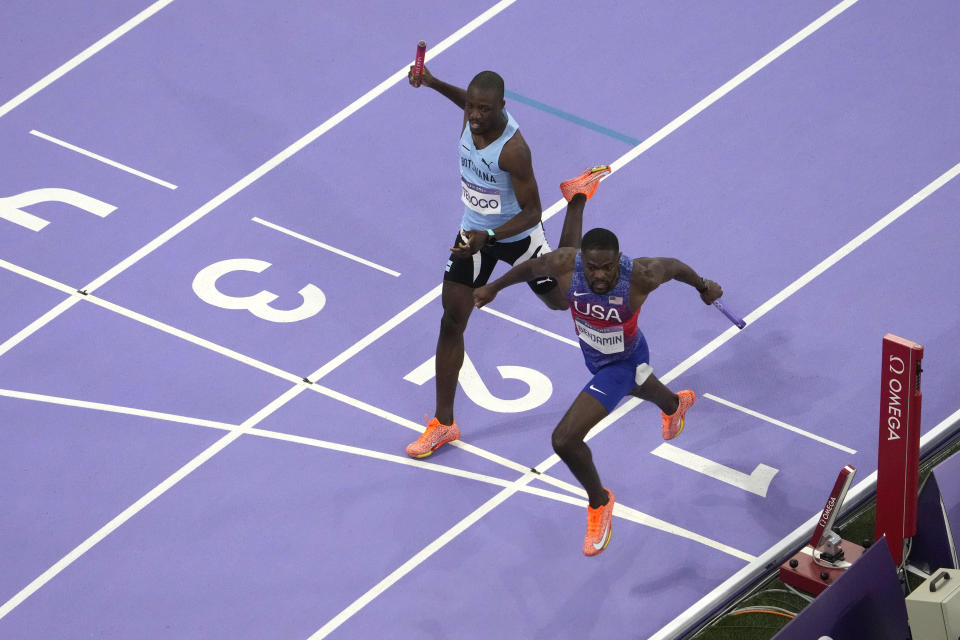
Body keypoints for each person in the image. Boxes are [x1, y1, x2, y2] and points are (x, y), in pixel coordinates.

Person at [472, 180, 723, 556]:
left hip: (621, 360)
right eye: (593, 268)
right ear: (581, 262)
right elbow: (532, 267)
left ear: (618, 260)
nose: (601, 276)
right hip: (598, 355)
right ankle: (674, 405)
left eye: (607, 268)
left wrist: (704, 286)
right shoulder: (566, 263)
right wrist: (494, 287)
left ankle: (599, 502)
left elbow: (674, 267)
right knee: (639, 384)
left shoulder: (641, 276)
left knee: (564, 440)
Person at [404, 64, 608, 459]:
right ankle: (443, 424)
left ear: (501, 106)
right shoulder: (471, 115)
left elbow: (532, 211)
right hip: (473, 231)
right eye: (471, 108)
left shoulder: (514, 150)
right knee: (451, 320)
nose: (475, 116)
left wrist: (493, 236)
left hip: (517, 236)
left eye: (483, 109)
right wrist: (430, 82)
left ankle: (578, 196)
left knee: (562, 301)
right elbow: (461, 99)